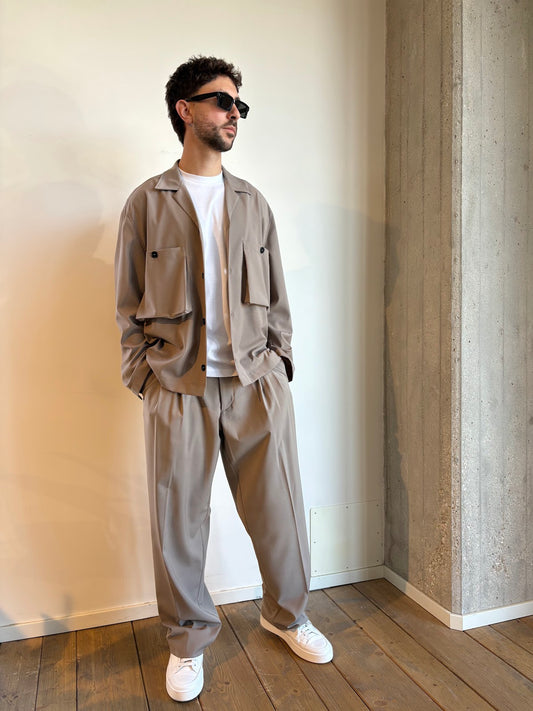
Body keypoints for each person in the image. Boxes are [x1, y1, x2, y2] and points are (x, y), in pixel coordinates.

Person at [114, 55, 333, 703]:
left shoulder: (251, 201)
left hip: (254, 380)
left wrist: (280, 364)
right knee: (178, 519)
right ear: (185, 109)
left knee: (278, 509)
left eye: (239, 104)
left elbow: (277, 294)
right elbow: (126, 301)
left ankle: (286, 614)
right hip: (176, 384)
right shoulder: (147, 202)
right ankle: (187, 640)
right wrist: (143, 374)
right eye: (221, 101)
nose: (234, 113)